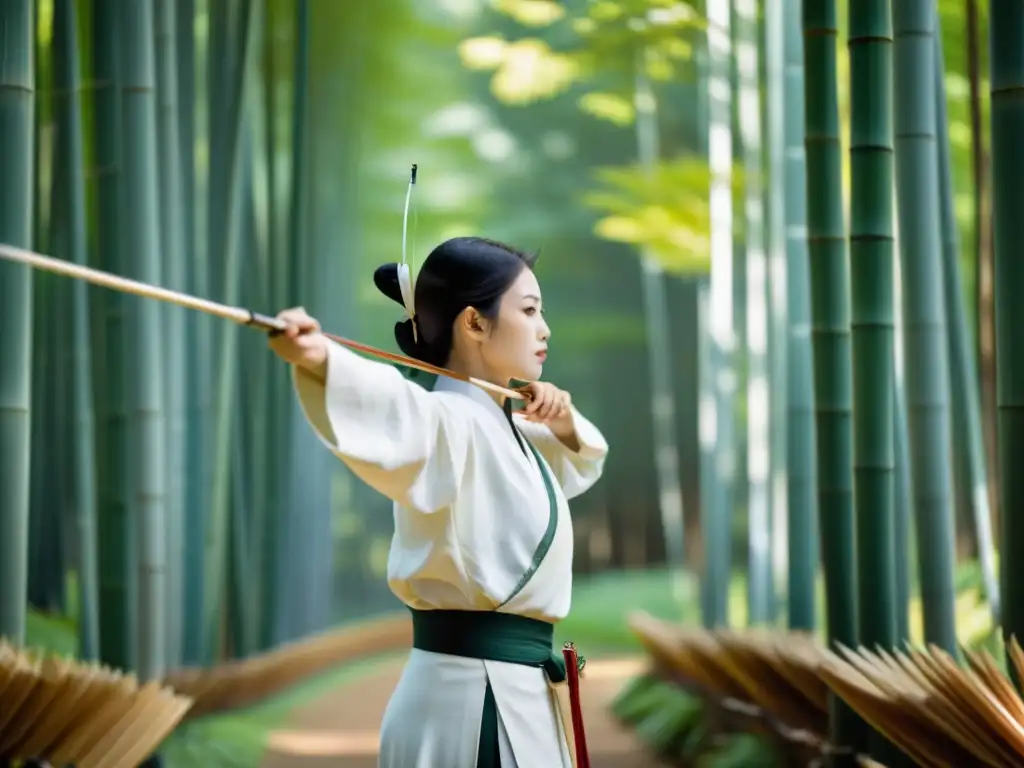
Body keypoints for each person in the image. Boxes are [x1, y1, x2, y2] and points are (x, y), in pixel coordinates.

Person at [268, 236, 608, 767]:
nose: (544, 329)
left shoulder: (507, 426)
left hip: (513, 694)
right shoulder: (449, 420)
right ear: (473, 323)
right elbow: (392, 405)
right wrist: (321, 359)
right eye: (529, 310)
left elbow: (580, 458)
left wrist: (560, 417)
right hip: (474, 701)